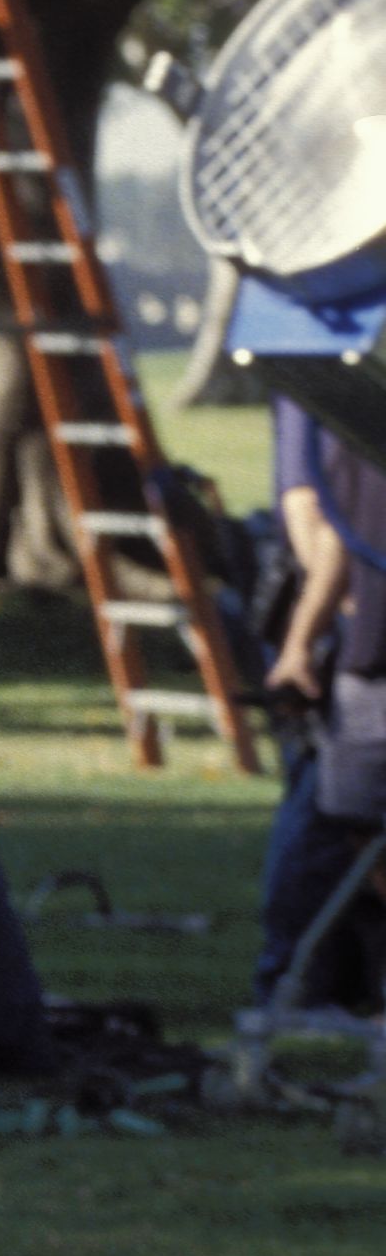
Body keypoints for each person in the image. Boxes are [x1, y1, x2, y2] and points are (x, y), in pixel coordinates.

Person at [256, 393, 386, 1008]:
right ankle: (308, 976)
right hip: (370, 658)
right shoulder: (359, 416)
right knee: (353, 826)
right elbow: (325, 528)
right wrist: (301, 643)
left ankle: (299, 974)